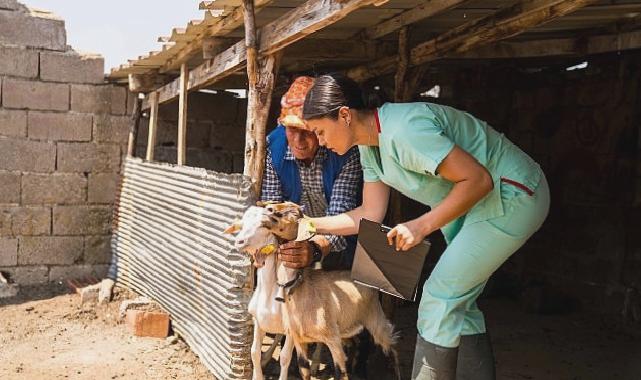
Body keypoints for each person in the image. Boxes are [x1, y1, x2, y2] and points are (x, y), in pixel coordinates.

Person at [301, 74, 550, 380]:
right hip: (475, 207)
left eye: (320, 132)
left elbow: (478, 180)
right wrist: (307, 224)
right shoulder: (369, 147)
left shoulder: (406, 130)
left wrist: (420, 226)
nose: (320, 142)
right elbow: (369, 214)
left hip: (512, 194)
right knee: (458, 305)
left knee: (439, 297)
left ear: (344, 115)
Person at [262, 76, 363, 270]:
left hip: (345, 240)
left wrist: (315, 248)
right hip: (293, 241)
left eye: (307, 131)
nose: (299, 141)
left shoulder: (345, 151)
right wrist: (288, 249)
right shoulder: (273, 149)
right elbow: (272, 210)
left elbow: (341, 215)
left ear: (320, 126)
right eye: (291, 129)